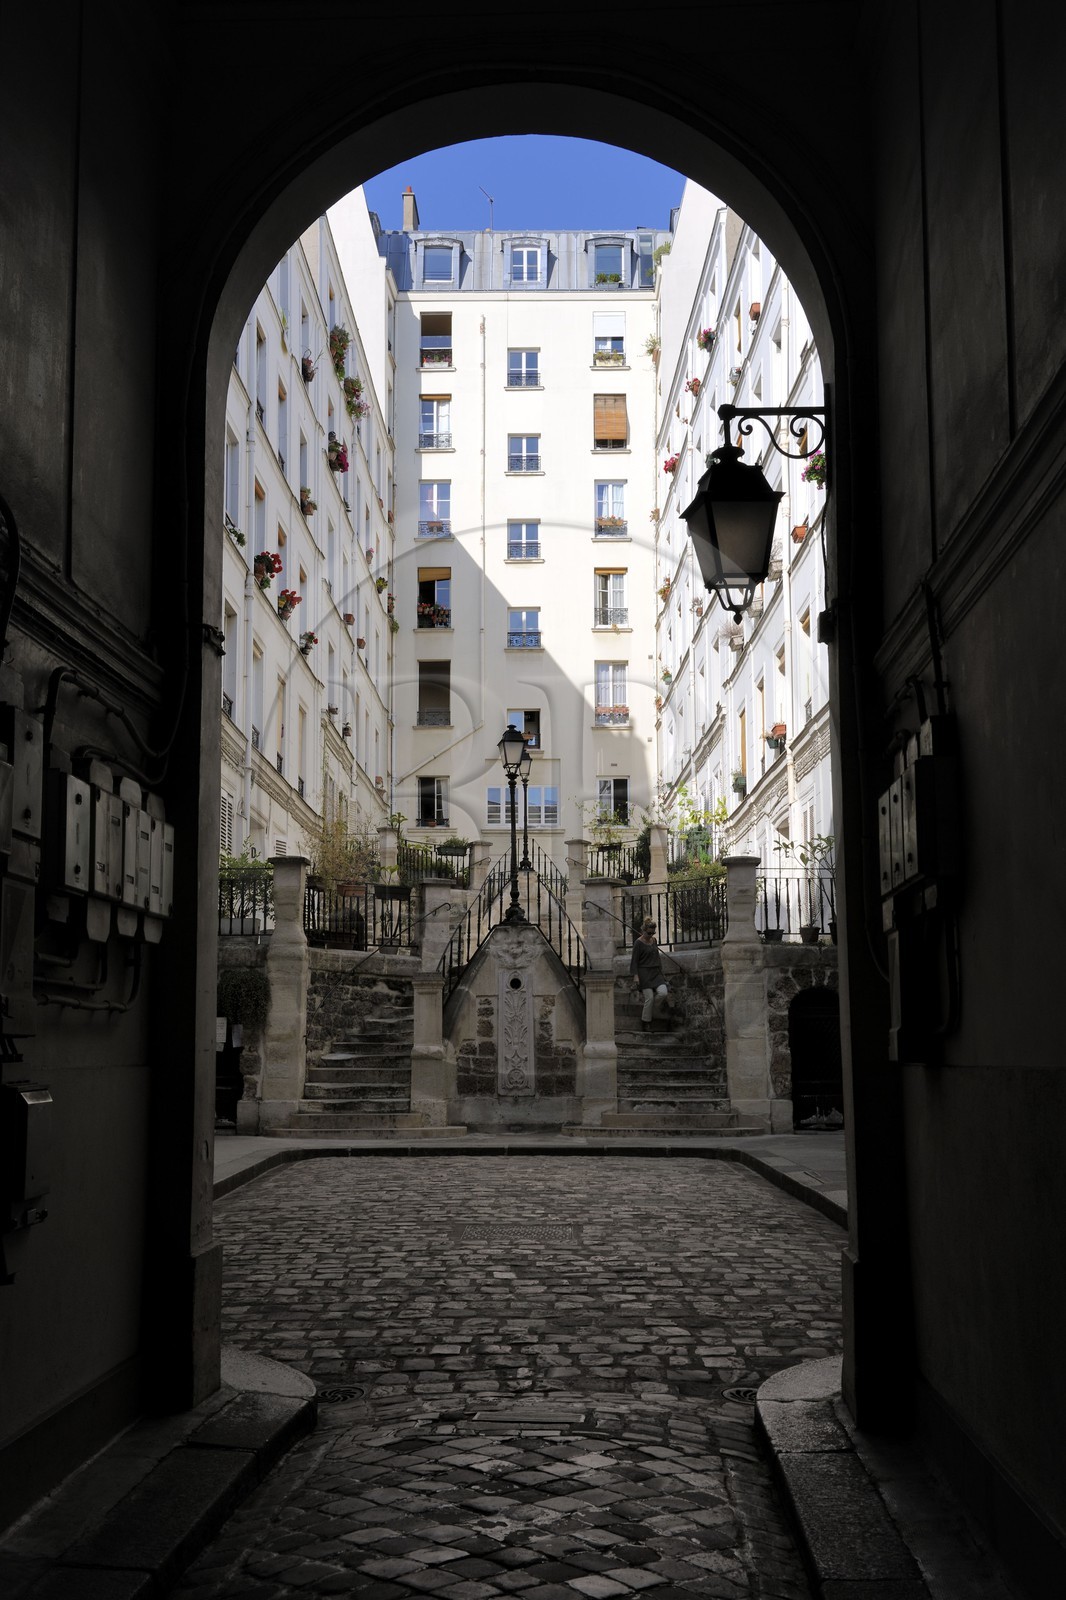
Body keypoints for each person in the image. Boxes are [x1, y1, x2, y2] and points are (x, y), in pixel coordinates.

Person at [630, 917, 668, 1031]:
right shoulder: (638, 943)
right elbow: (634, 961)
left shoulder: (654, 941)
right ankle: (646, 1021)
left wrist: (662, 973)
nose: (651, 935)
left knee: (663, 993)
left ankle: (651, 1010)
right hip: (644, 974)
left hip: (656, 973)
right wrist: (636, 976)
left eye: (653, 932)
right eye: (649, 932)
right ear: (643, 930)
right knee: (649, 998)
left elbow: (657, 958)